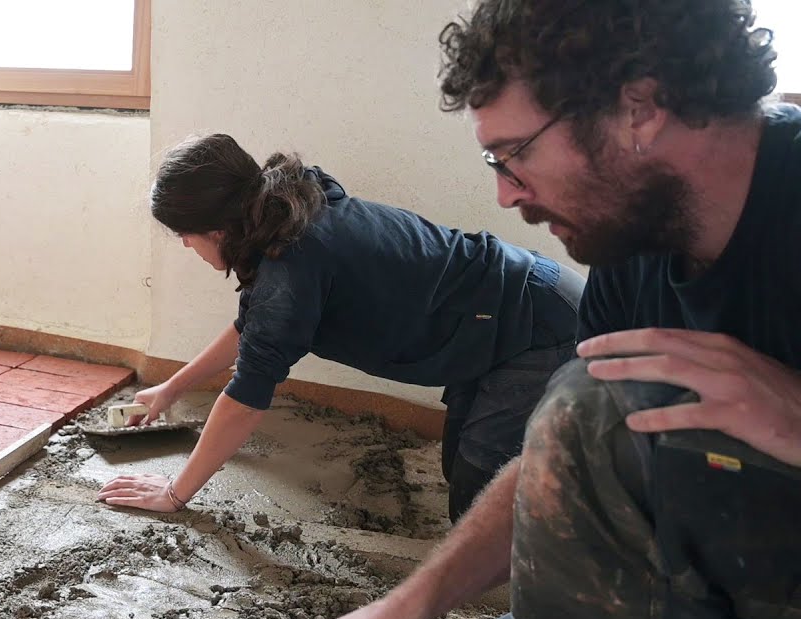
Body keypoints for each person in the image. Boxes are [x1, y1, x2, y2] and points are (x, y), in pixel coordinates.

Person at [288, 1, 801, 619]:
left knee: (592, 402)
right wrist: (402, 612)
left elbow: (591, 421)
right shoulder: (633, 244)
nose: (505, 192)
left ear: (640, 107)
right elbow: (564, 459)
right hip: (733, 562)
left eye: (517, 152)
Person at [96, 133, 583, 522]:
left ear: (217, 230)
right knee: (465, 472)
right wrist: (170, 389)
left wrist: (175, 493)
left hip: (540, 325)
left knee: (483, 510)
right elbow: (255, 329)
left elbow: (245, 401)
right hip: (504, 313)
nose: (185, 247)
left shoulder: (291, 263)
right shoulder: (284, 208)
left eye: (185, 236)